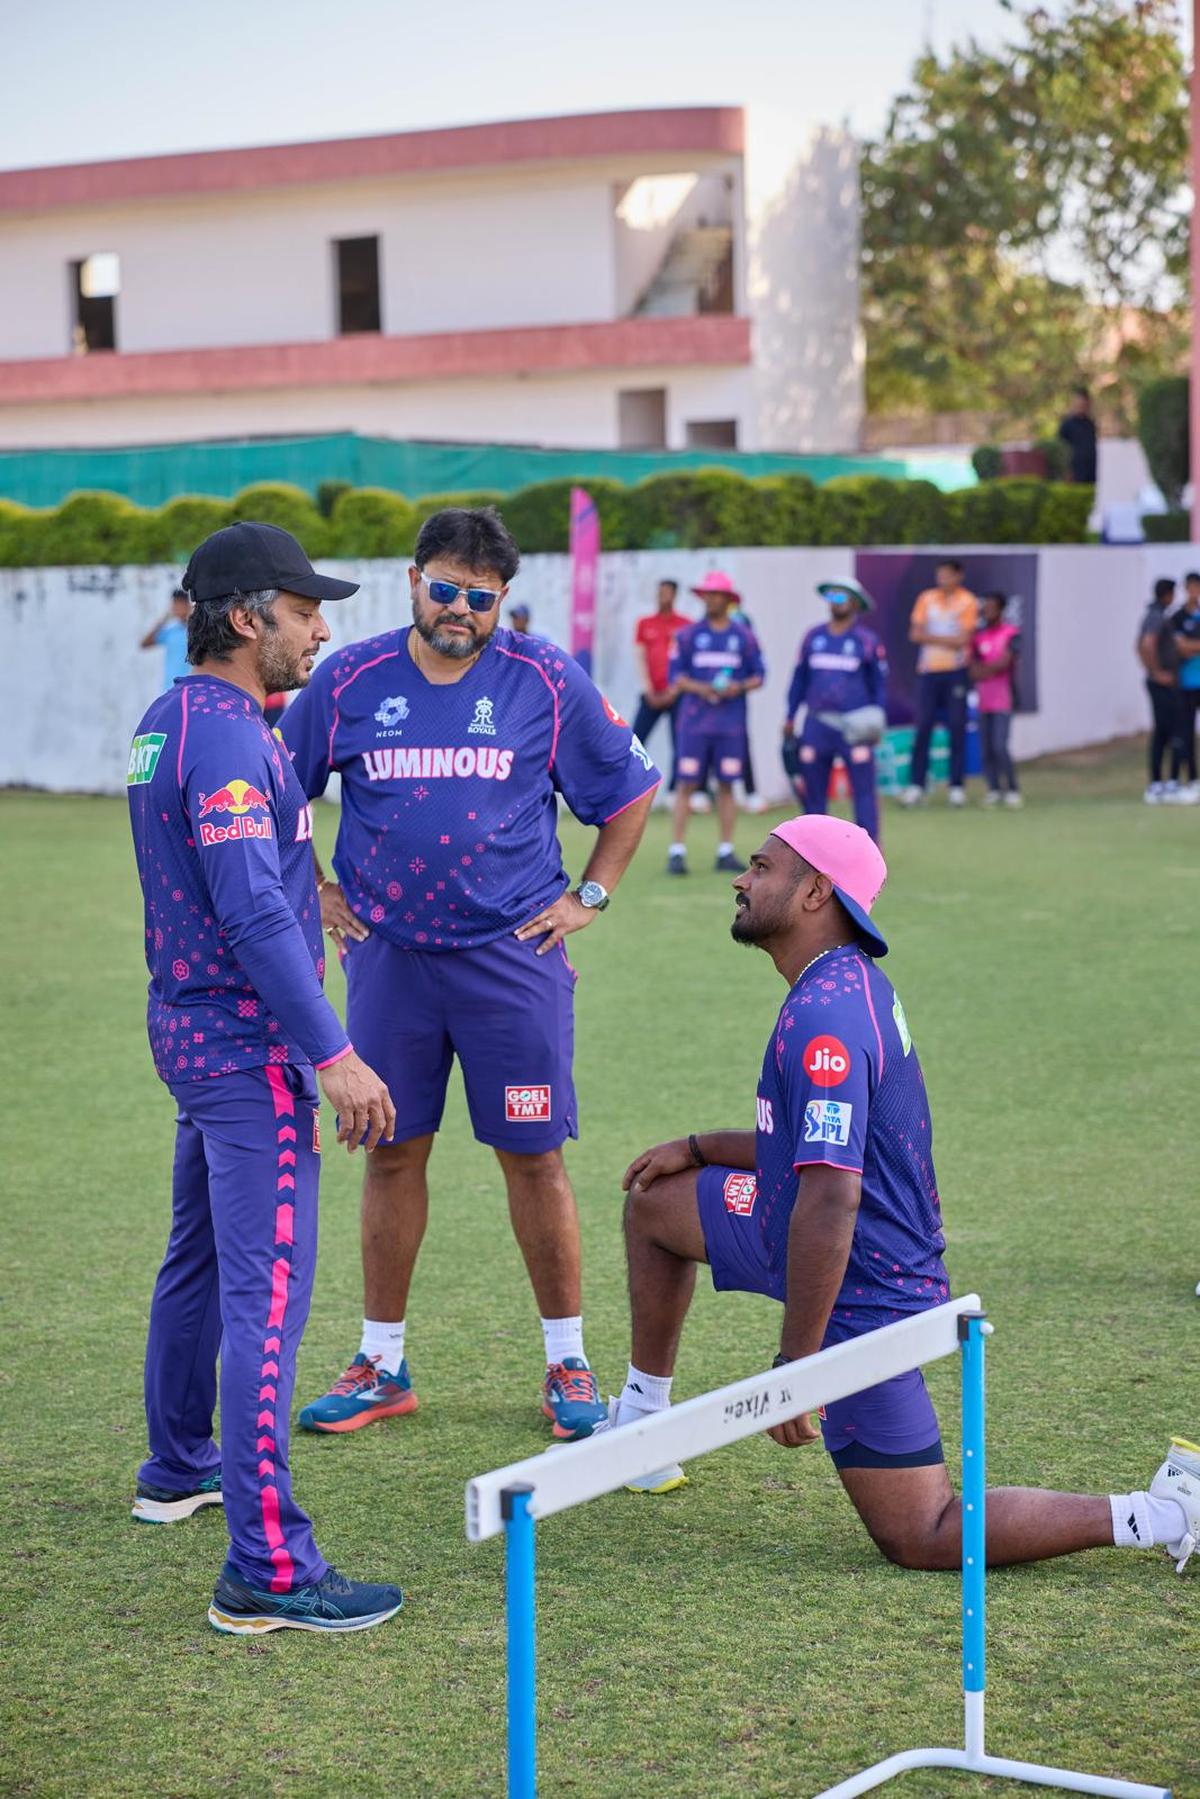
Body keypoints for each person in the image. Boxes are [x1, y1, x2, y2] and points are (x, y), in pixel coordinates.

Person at [609, 814, 1200, 1579]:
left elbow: (833, 1200)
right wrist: (696, 1148)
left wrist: (798, 1367)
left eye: (761, 866)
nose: (740, 878)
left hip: (861, 1284)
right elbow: (810, 1150)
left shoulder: (827, 1016)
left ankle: (1163, 1510)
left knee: (922, 1532)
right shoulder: (833, 982)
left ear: (815, 891)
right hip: (791, 1224)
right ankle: (641, 1425)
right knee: (656, 1207)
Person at [280, 507, 660, 1441]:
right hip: (390, 962)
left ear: (502, 601)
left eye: (479, 598)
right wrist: (319, 889)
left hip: (512, 957)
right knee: (392, 1149)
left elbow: (630, 785)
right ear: (414, 579)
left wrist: (591, 897)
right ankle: (381, 1360)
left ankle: (568, 1362)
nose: (459, 610)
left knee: (533, 1157)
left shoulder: (544, 677)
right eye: (444, 589)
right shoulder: (351, 677)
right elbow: (277, 787)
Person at [126, 522, 403, 1636]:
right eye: (303, 607)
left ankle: (177, 1465)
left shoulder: (171, 718)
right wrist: (332, 1051)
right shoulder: (233, 738)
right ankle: (269, 1568)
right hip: (246, 1046)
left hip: (192, 1033)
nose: (321, 627)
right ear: (247, 618)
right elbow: (246, 907)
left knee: (198, 1254)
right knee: (267, 1294)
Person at [667, 571, 765, 875]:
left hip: (730, 725)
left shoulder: (744, 636)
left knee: (726, 785)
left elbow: (759, 675)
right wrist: (702, 689)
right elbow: (676, 678)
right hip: (694, 724)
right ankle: (677, 851)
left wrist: (739, 687)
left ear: (728, 599)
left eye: (715, 594)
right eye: (705, 594)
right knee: (686, 784)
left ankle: (725, 850)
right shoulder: (688, 635)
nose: (709, 599)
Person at [784, 579, 886, 843]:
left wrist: (877, 723)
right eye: (830, 597)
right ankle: (812, 851)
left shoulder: (866, 641)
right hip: (817, 725)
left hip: (855, 727)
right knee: (813, 792)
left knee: (863, 790)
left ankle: (869, 849)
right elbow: (799, 680)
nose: (834, 603)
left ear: (854, 603)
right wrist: (790, 716)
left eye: (840, 598)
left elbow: (879, 686)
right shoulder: (813, 637)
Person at [902, 559, 977, 808]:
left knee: (957, 727)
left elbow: (962, 641)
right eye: (939, 575)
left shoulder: (967, 601)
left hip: (956, 672)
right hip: (928, 672)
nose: (942, 580)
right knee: (923, 728)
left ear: (958, 576)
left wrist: (931, 637)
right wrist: (947, 638)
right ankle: (916, 785)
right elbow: (915, 634)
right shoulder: (927, 598)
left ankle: (956, 787)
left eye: (947, 576)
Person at [969, 591, 1022, 808]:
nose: (987, 611)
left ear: (1001, 609)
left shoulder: (1011, 633)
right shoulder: (978, 636)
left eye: (992, 607)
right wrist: (987, 670)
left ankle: (1011, 789)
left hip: (1003, 699)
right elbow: (972, 669)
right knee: (986, 748)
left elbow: (1005, 663)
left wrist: (986, 669)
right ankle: (993, 789)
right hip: (983, 700)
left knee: (1000, 746)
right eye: (985, 607)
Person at [631, 578, 689, 775]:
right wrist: (647, 689)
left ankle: (676, 788)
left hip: (676, 694)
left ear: (674, 595)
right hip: (652, 693)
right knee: (634, 740)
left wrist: (674, 691)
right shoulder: (645, 623)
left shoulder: (685, 625)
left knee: (681, 741)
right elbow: (640, 656)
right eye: (660, 592)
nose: (663, 597)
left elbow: (687, 662)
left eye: (667, 592)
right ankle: (628, 784)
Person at [1138, 577, 1182, 805]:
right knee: (1169, 732)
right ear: (1167, 594)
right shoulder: (1155, 617)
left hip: (1160, 682)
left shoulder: (1155, 615)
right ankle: (1162, 783)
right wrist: (1157, 673)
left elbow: (1140, 646)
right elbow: (1146, 644)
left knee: (1166, 733)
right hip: (1162, 685)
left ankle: (1163, 783)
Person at [1171, 571, 1200, 804]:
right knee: (1187, 733)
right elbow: (1180, 648)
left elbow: (1188, 645)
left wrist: (1191, 645)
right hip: (1187, 684)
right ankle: (1192, 778)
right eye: (1191, 587)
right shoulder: (1178, 617)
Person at [139, 588, 191, 692]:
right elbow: (144, 644)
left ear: (187, 605)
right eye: (174, 604)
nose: (176, 608)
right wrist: (164, 619)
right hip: (170, 688)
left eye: (179, 604)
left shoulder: (196, 630)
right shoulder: (171, 631)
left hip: (190, 688)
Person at [1057, 387, 1098, 486]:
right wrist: (1066, 470)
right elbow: (1061, 448)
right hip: (1074, 470)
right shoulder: (1067, 424)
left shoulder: (1090, 424)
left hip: (1090, 469)